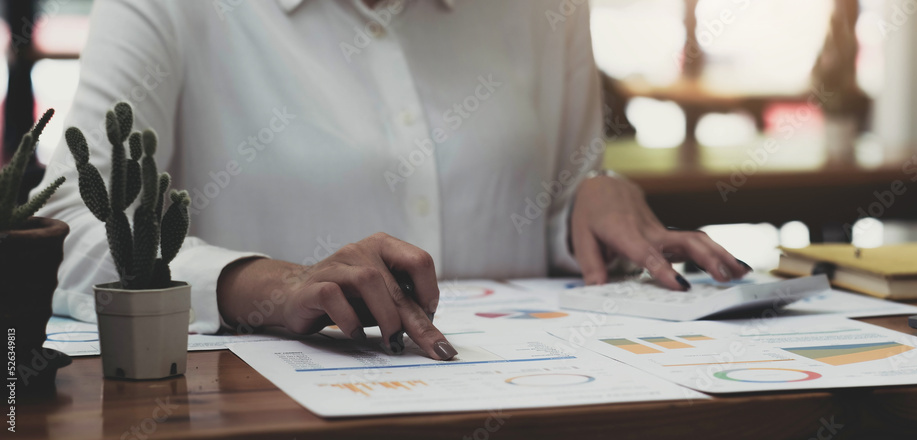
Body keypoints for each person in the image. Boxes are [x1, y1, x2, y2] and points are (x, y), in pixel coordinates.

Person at [34, 0, 749, 360]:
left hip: (537, 400)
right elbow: (69, 228)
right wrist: (262, 285)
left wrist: (591, 194)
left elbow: (552, 197)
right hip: (262, 418)